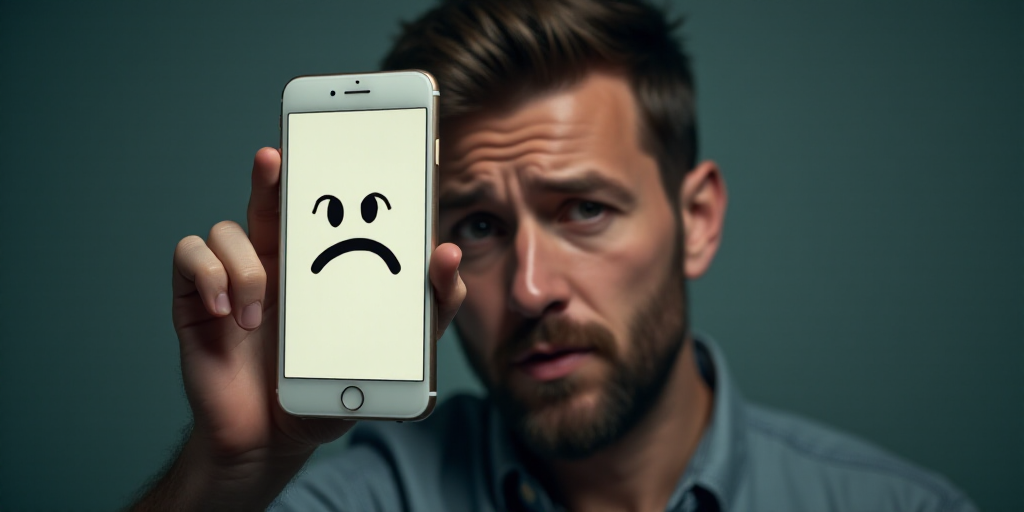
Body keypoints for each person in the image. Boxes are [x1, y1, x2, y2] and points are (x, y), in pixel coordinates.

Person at [133, 0, 977, 510]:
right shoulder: (367, 494)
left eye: (584, 209)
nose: (532, 290)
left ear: (700, 220)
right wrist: (228, 471)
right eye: (478, 228)